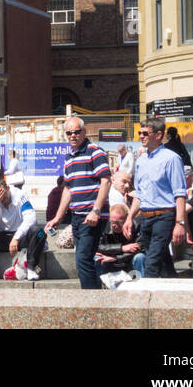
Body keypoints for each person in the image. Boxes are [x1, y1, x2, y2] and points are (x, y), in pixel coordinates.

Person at [45, 116, 112, 290]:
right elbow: (68, 190)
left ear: (84, 132)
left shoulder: (95, 151)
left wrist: (96, 211)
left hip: (92, 216)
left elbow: (106, 181)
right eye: (69, 133)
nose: (73, 136)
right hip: (77, 216)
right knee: (83, 259)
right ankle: (95, 297)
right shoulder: (69, 158)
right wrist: (57, 218)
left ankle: (90, 301)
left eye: (76, 132)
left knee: (83, 258)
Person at [123, 117, 187, 279]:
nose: (141, 136)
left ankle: (147, 297)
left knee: (151, 261)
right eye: (139, 133)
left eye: (145, 133)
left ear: (158, 135)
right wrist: (130, 217)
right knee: (163, 260)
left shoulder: (171, 158)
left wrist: (180, 223)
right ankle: (173, 288)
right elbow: (139, 193)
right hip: (145, 217)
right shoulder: (141, 160)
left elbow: (180, 193)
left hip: (164, 216)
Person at [0, 175, 44, 281]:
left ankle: (31, 268)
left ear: (8, 188)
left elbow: (31, 218)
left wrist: (16, 237)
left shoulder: (20, 195)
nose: (3, 199)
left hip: (20, 237)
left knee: (38, 231)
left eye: (4, 195)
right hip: (3, 237)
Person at [96, 203, 145, 278]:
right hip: (109, 261)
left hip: (129, 261)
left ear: (127, 219)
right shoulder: (105, 225)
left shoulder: (136, 226)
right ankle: (98, 287)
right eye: (112, 222)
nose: (114, 225)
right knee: (96, 258)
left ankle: (141, 286)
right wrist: (121, 248)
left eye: (119, 222)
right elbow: (97, 246)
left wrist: (116, 258)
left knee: (140, 257)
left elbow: (140, 248)